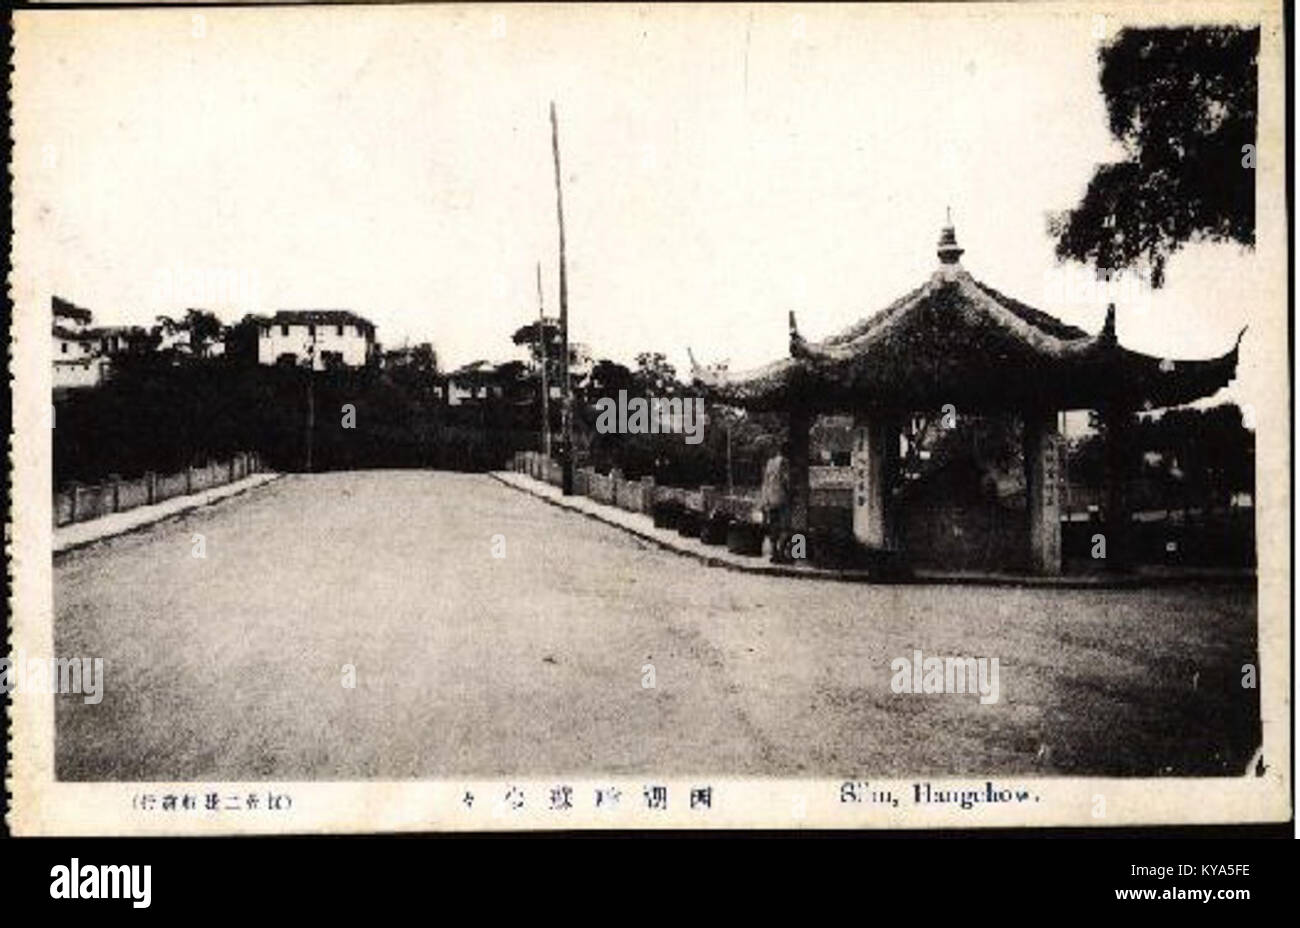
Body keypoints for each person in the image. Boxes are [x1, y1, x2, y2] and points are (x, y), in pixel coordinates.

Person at [761, 441, 791, 563]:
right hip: (782, 498)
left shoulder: (770, 463)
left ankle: (774, 553)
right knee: (786, 527)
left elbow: (765, 482)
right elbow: (786, 480)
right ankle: (781, 553)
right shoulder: (784, 462)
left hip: (770, 499)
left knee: (774, 526)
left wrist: (765, 500)